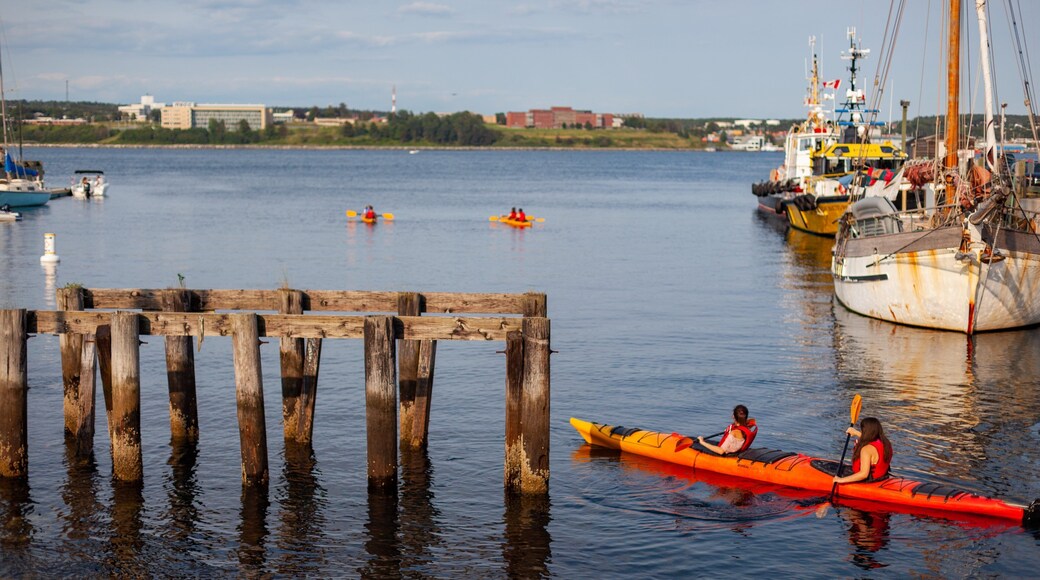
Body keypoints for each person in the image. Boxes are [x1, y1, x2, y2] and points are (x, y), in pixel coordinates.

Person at [833, 417, 892, 485]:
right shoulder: (885, 442)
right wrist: (855, 432)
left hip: (869, 480)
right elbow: (870, 439)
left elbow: (864, 474)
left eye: (862, 430)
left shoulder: (866, 449)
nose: (861, 431)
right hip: (883, 477)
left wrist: (840, 480)